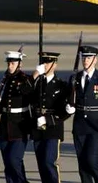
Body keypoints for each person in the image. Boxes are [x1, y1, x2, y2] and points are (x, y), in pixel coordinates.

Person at [66, 45, 98, 183]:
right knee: (82, 163)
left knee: (92, 160)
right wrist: (68, 107)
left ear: (95, 60)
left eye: (88, 58)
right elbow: (68, 98)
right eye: (84, 58)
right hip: (80, 127)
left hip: (96, 127)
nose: (85, 60)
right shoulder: (74, 78)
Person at [0, 50, 33, 183]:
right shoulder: (5, 79)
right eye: (9, 64)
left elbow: (27, 92)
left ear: (20, 64)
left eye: (13, 64)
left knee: (14, 160)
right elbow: (2, 101)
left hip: (20, 126)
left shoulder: (25, 79)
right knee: (8, 163)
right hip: (5, 126)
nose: (10, 67)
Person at [31, 51, 71, 183]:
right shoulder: (36, 82)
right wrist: (35, 74)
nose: (45, 65)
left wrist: (48, 119)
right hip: (37, 127)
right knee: (41, 164)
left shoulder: (61, 85)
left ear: (55, 65)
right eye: (43, 62)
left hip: (53, 128)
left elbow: (66, 110)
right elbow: (24, 92)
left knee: (49, 162)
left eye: (48, 63)